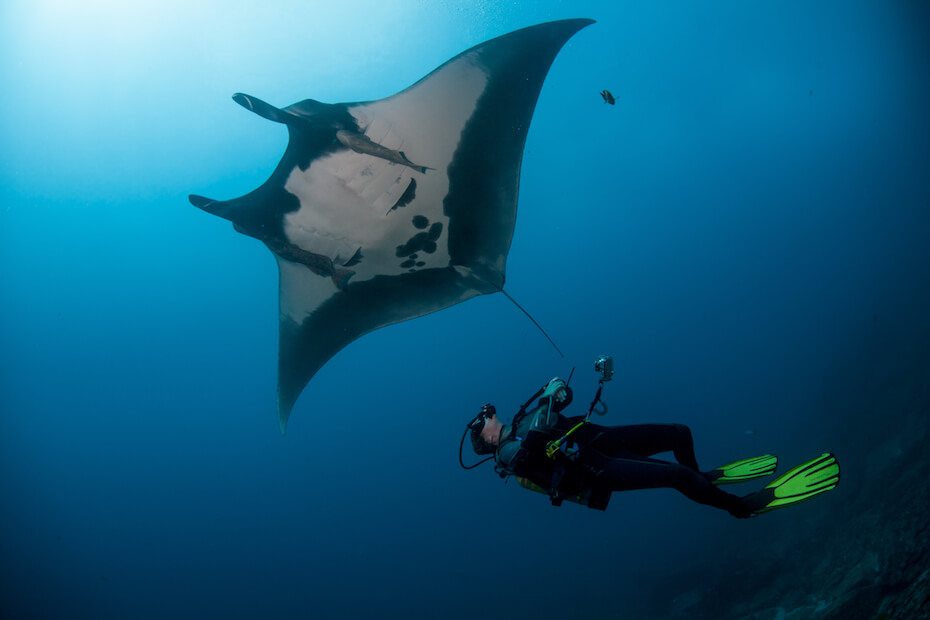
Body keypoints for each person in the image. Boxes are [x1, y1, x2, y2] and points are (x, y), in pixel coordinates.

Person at [465, 377, 840, 517]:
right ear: (486, 439)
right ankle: (742, 507)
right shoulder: (506, 455)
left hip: (603, 439)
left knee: (679, 432)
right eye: (482, 422)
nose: (488, 416)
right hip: (595, 468)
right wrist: (547, 401)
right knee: (675, 476)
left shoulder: (521, 416)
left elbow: (559, 406)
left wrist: (558, 391)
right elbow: (532, 449)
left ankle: (703, 476)